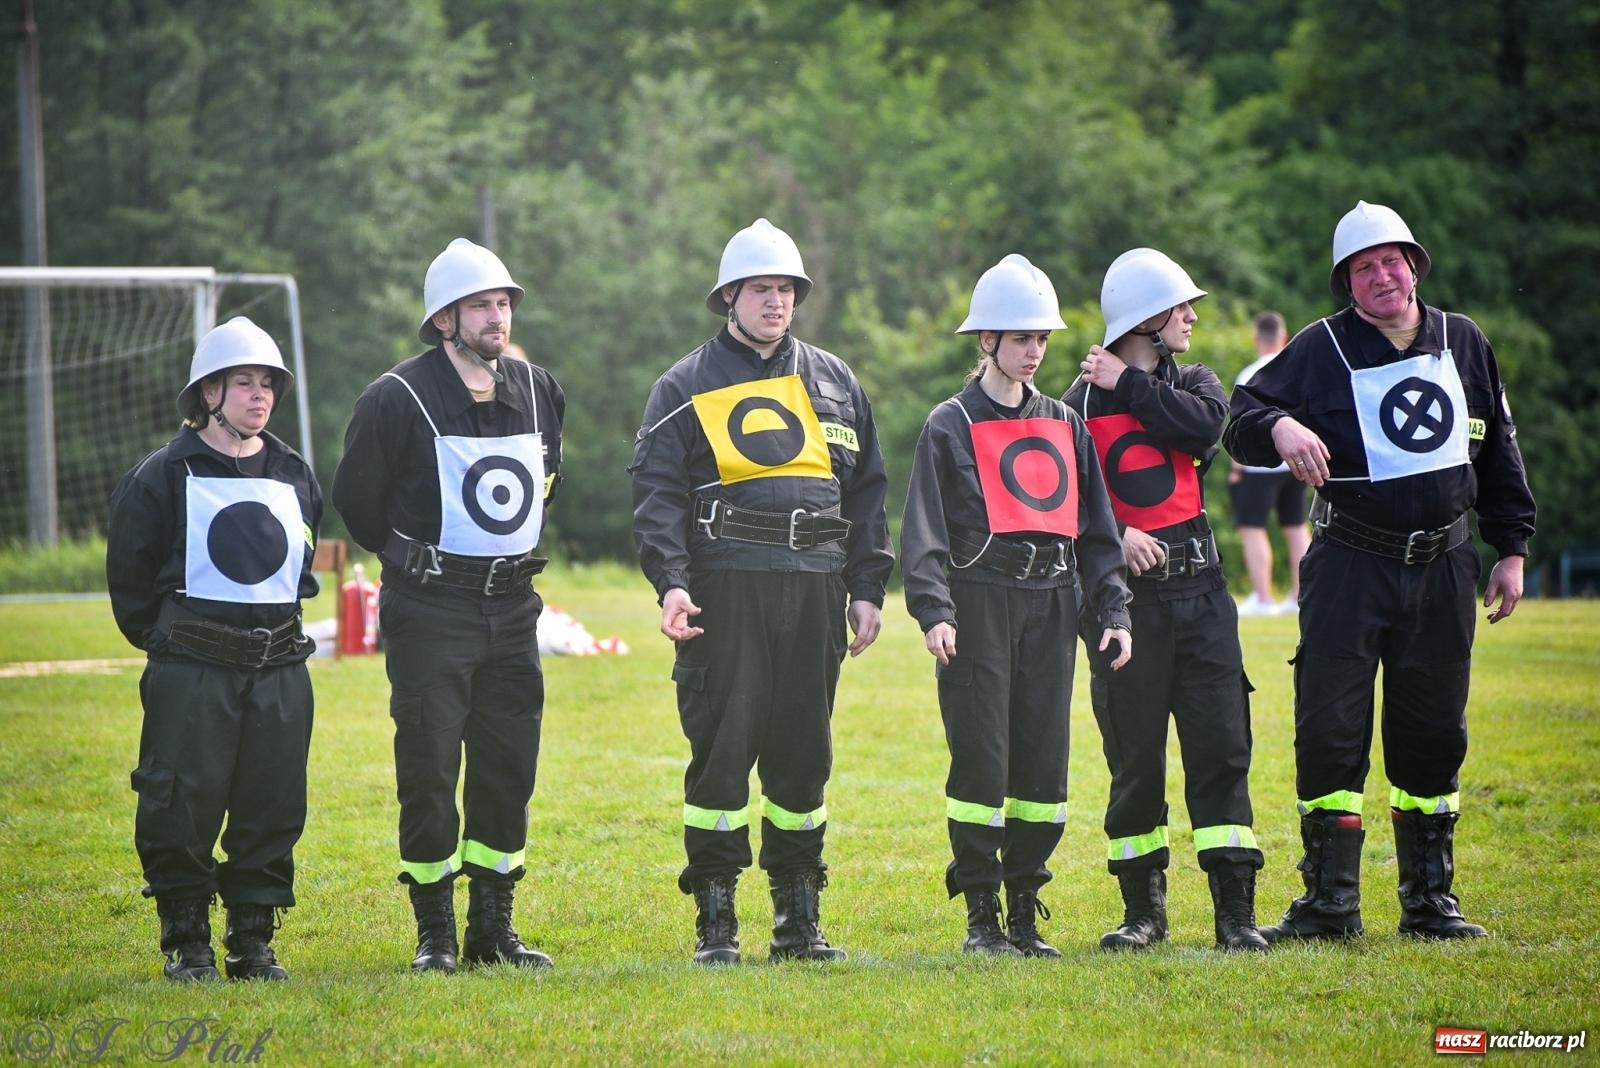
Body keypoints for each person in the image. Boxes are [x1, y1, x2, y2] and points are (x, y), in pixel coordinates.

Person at [1224, 201, 1535, 942]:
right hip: (1349, 565)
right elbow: (1239, 416)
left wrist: (1513, 546)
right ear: (1348, 283)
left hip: (1444, 567)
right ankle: (1330, 904)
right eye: (1364, 268)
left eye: (1391, 261)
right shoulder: (1319, 347)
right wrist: (1281, 424)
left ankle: (1430, 904)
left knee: (1432, 731)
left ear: (1414, 265)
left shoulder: (1464, 341)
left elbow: (1497, 447)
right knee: (1330, 729)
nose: (1381, 276)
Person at [630, 218, 893, 964]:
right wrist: (671, 585)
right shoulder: (683, 386)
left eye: (786, 290)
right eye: (761, 290)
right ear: (729, 298)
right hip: (726, 591)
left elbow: (868, 493)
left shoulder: (837, 383)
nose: (775, 302)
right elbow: (655, 496)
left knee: (803, 756)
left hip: (814, 593)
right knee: (721, 757)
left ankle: (798, 924)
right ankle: (716, 926)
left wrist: (867, 585)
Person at [333, 238, 565, 972]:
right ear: (444, 320)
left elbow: (546, 477)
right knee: (429, 766)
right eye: (480, 306)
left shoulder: (539, 388)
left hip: (513, 608)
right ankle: (434, 932)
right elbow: (358, 503)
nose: (496, 317)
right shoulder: (395, 397)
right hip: (430, 609)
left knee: (507, 765)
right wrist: (415, 561)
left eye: (503, 304)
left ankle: (492, 929)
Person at [901, 255, 1131, 957]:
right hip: (980, 604)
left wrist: (1114, 612)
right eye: (1021, 337)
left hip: (1053, 605)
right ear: (987, 341)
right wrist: (935, 610)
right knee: (982, 761)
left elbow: (1098, 532)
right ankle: (981, 918)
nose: (1034, 351)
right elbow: (924, 529)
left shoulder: (1065, 421)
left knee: (1042, 765)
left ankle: (1025, 910)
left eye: (1042, 339)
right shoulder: (949, 423)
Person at [1063, 248, 1268, 953]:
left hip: (1204, 597)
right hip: (1127, 609)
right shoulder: (1075, 405)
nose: (1193, 317)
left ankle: (1235, 916)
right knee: (1135, 762)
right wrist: (1115, 535)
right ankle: (1142, 915)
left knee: (1222, 749)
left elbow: (1203, 430)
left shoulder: (1199, 382)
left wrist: (1130, 383)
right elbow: (1060, 502)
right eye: (1180, 307)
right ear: (1146, 319)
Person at [108, 316, 321, 981]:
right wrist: (179, 648)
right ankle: (188, 943)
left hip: (280, 668)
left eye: (267, 385)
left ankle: (252, 942)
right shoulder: (161, 475)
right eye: (242, 384)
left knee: (272, 802)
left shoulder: (292, 471)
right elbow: (132, 586)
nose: (258, 397)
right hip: (193, 669)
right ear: (208, 393)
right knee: (180, 800)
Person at [1227, 312, 1310, 615]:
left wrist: (1236, 469)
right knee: (1297, 526)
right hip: (1296, 464)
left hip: (1259, 467)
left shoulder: (1250, 374)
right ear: (1284, 337)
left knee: (1252, 528)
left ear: (1256, 339)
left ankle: (1263, 597)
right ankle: (1299, 595)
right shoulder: (1297, 371)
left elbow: (1239, 427)